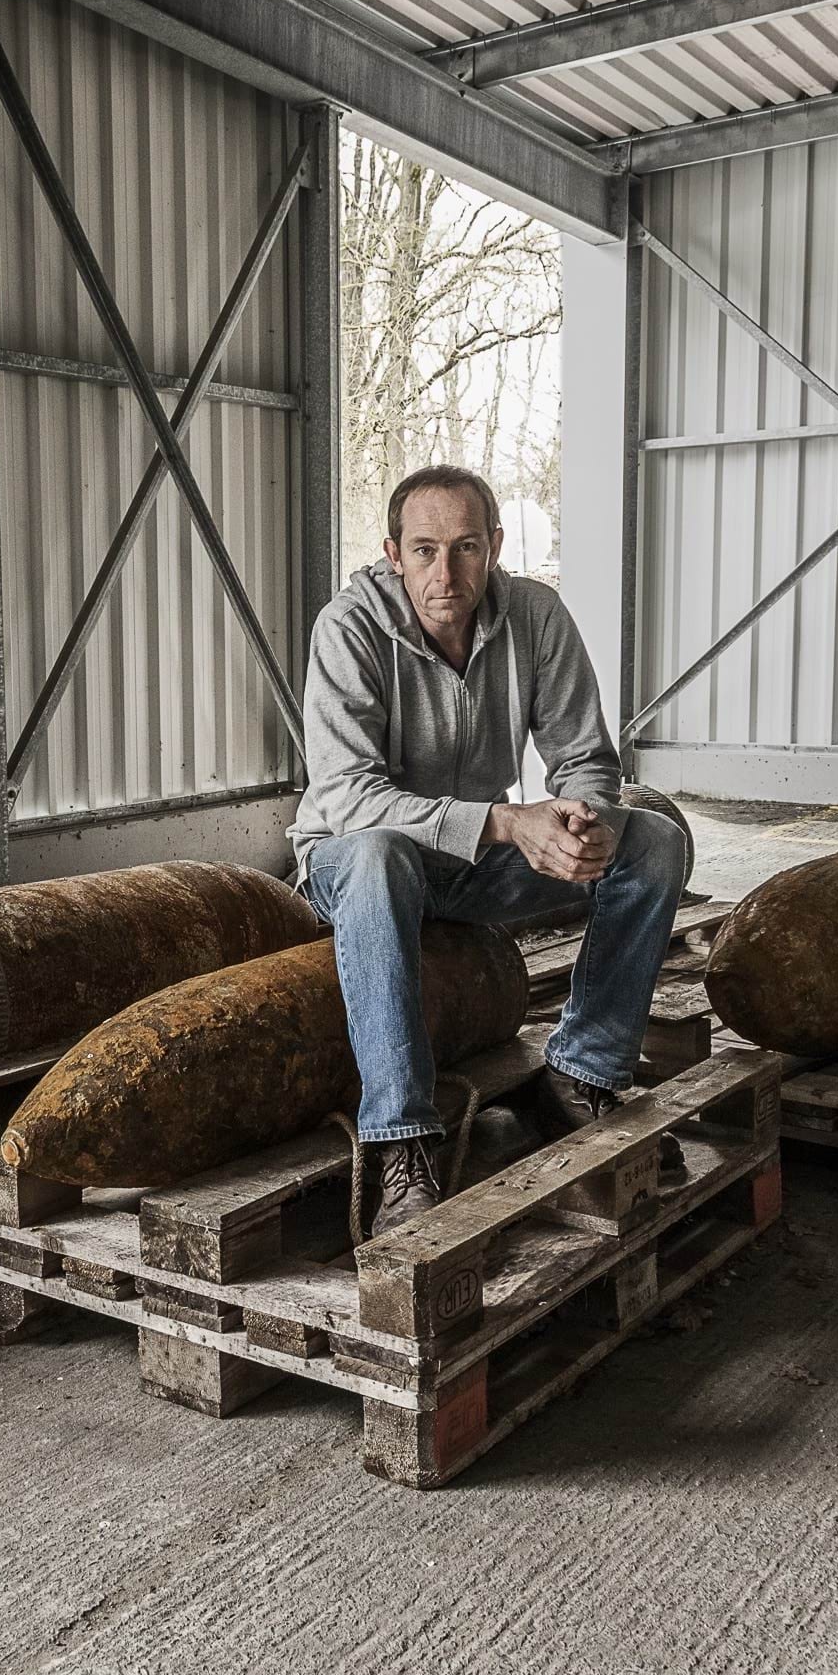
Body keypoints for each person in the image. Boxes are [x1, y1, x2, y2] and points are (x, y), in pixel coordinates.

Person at [290, 463, 688, 1240]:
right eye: (427, 549)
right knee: (376, 855)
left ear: (496, 546)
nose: (447, 572)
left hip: (471, 867)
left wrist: (585, 820)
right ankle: (401, 1143)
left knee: (656, 844)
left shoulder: (536, 616)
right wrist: (509, 824)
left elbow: (585, 759)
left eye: (467, 547)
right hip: (357, 867)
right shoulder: (348, 629)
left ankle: (582, 1074)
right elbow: (347, 799)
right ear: (393, 552)